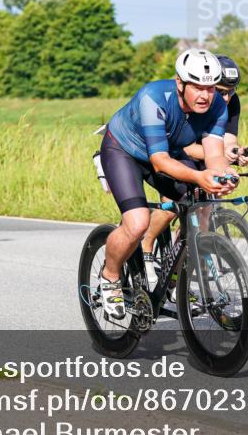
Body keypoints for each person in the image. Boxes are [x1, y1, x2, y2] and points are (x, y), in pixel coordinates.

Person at [97, 49, 237, 318]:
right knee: (137, 223)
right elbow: (159, 162)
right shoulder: (154, 97)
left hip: (165, 153)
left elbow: (214, 156)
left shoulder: (217, 105)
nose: (205, 95)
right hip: (123, 151)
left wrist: (223, 176)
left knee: (200, 205)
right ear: (180, 82)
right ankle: (110, 276)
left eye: (210, 88)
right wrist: (199, 176)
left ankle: (172, 281)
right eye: (197, 87)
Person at [140, 54, 248, 277]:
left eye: (232, 91)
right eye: (220, 91)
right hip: (178, 151)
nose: (226, 97)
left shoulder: (229, 102)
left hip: (209, 152)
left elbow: (228, 138)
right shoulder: (192, 98)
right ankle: (146, 243)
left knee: (204, 206)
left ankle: (186, 259)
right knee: (174, 203)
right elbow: (185, 147)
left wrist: (234, 153)